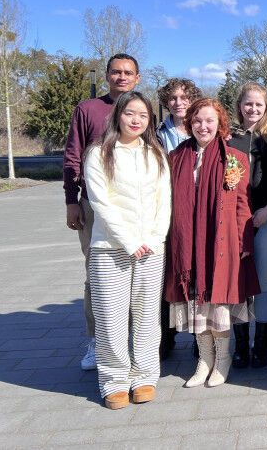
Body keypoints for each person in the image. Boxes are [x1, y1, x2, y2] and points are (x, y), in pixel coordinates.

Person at [83, 91, 171, 409]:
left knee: (147, 317)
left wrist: (155, 237)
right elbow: (100, 202)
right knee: (111, 318)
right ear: (118, 114)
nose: (136, 120)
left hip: (150, 248)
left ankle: (145, 376)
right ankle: (114, 380)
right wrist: (129, 241)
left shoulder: (155, 153)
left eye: (143, 115)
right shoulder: (99, 152)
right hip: (110, 248)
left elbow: (165, 200)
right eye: (130, 113)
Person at [164, 98, 260, 388]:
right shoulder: (177, 156)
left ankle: (222, 360)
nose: (203, 126)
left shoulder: (234, 158)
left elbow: (243, 202)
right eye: (197, 121)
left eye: (209, 121)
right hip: (187, 241)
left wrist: (245, 240)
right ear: (189, 123)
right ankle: (203, 360)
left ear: (220, 125)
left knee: (218, 302)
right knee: (196, 302)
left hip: (220, 240)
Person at [64, 53, 141, 371]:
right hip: (94, 209)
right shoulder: (88, 110)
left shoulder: (140, 110)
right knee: (97, 276)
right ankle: (98, 341)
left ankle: (135, 340)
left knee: (136, 275)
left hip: (134, 209)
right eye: (116, 72)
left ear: (137, 78)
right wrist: (71, 200)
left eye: (128, 73)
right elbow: (72, 156)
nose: (122, 77)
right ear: (107, 75)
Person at [229, 82, 267, 366]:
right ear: (240, 106)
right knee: (238, 281)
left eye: (259, 105)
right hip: (235, 221)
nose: (253, 109)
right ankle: (240, 343)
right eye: (248, 104)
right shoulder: (228, 139)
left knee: (264, 281)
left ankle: (261, 342)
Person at [155, 77, 202, 360]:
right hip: (168, 210)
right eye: (173, 99)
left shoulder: (202, 128)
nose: (178, 103)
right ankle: (166, 337)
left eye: (184, 98)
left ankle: (201, 338)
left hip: (197, 210)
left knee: (197, 274)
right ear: (166, 102)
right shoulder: (158, 133)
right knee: (169, 276)